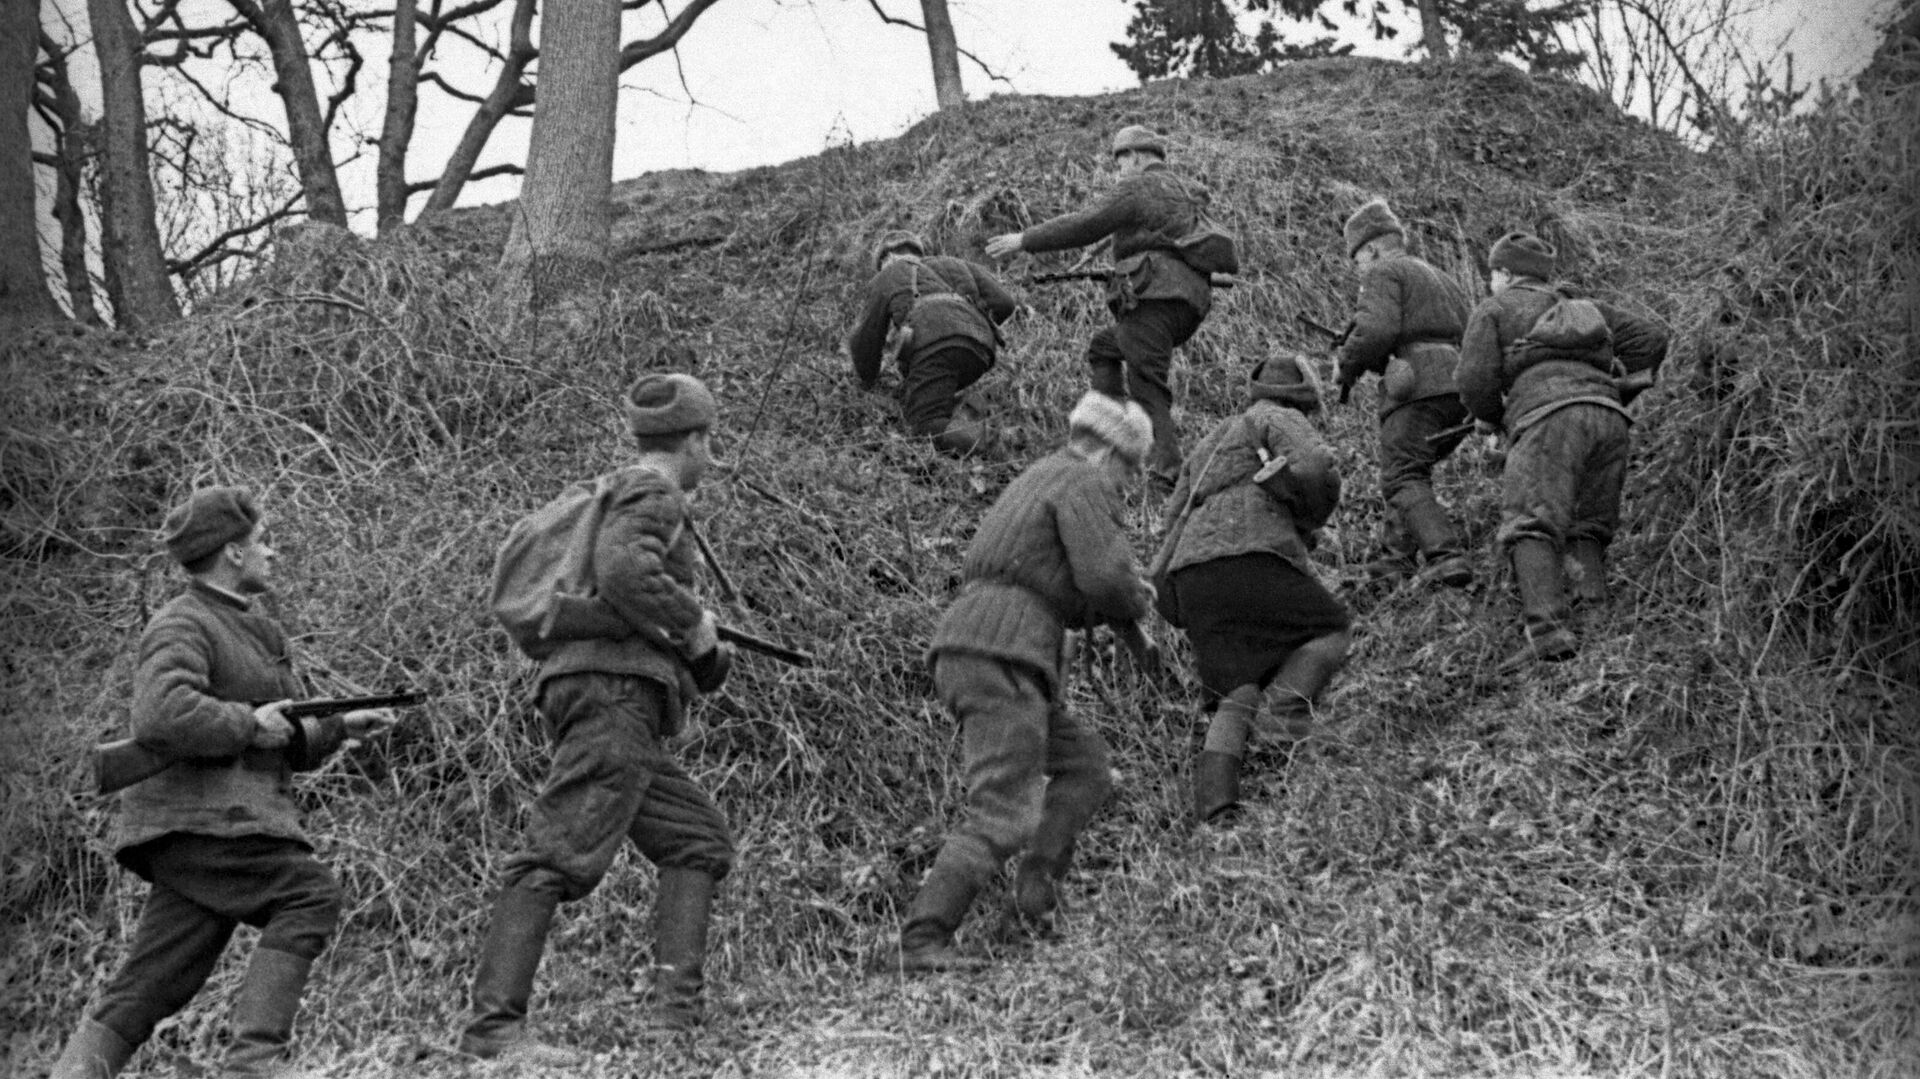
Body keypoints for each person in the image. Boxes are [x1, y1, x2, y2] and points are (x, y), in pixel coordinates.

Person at [47, 487, 398, 1079]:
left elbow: (275, 733)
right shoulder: (182, 622)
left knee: (153, 983)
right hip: (207, 824)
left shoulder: (256, 630)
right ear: (234, 553)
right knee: (308, 895)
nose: (272, 552)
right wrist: (246, 724)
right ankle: (253, 1066)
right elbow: (161, 715)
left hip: (211, 826)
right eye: (263, 541)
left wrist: (339, 727)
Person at [458, 373, 736, 1062]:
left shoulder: (618, 490)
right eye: (708, 442)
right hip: (615, 694)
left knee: (696, 838)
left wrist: (693, 644)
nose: (710, 456)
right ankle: (494, 1028)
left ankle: (673, 1020)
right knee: (557, 849)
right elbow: (623, 572)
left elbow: (622, 582)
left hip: (609, 697)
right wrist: (693, 623)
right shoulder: (653, 492)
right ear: (694, 440)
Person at [895, 392, 1156, 972]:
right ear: (1109, 453)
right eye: (1130, 469)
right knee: (1003, 810)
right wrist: (1136, 600)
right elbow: (1104, 576)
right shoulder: (1084, 481)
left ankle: (1035, 900)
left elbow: (1056, 579)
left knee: (1084, 765)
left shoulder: (1043, 474)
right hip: (1003, 653)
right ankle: (922, 939)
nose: (1129, 483)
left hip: (987, 646)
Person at [1154, 354, 1352, 824]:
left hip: (1193, 576)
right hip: (1253, 554)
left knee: (1236, 689)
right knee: (1331, 630)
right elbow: (1314, 465)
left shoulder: (1211, 440)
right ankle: (1282, 718)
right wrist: (1311, 513)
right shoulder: (1277, 417)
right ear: (1303, 395)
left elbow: (1172, 515)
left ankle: (1215, 806)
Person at [1456, 231, 1668, 663]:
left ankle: (1547, 631)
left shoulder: (1495, 309)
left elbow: (1473, 381)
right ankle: (1594, 621)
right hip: (1609, 419)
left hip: (1547, 420)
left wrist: (1494, 416)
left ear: (1505, 273)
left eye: (1492, 275)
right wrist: (1612, 387)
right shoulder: (1583, 308)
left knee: (1531, 521)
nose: (1490, 283)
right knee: (1587, 523)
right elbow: (1651, 340)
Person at [985, 124, 1219, 495]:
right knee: (1104, 348)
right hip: (1189, 304)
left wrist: (1025, 239)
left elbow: (1086, 223)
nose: (1119, 170)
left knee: (1147, 383)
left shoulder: (1139, 186)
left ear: (1137, 157)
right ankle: (1108, 432)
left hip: (1154, 300)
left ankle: (1166, 472)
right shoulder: (1185, 191)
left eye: (1121, 161)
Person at [1334, 199, 1477, 587]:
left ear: (1371, 249)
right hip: (1460, 390)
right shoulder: (1442, 278)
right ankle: (1395, 559)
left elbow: (1375, 331)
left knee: (1401, 473)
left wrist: (1345, 364)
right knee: (1411, 468)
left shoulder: (1383, 272)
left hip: (1419, 387)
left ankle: (1446, 555)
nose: (1358, 268)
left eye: (1357, 259)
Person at [848, 229, 1020, 457]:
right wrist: (968, 326)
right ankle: (973, 417)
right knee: (937, 395)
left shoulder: (889, 274)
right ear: (918, 252)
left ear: (886, 258)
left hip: (937, 343)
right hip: (981, 349)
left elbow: (864, 341)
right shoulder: (956, 264)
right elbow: (1005, 303)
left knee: (924, 423)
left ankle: (999, 443)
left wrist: (867, 381)